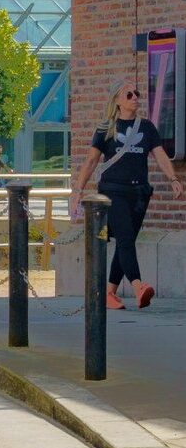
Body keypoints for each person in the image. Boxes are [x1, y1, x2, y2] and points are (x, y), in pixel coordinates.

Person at [70, 81, 184, 309]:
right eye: (129, 94)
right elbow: (91, 160)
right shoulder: (106, 128)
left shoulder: (147, 127)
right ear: (117, 101)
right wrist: (77, 190)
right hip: (113, 192)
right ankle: (138, 286)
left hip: (139, 193)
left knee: (127, 241)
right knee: (124, 239)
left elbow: (160, 155)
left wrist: (173, 179)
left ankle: (109, 293)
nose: (135, 97)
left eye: (136, 94)